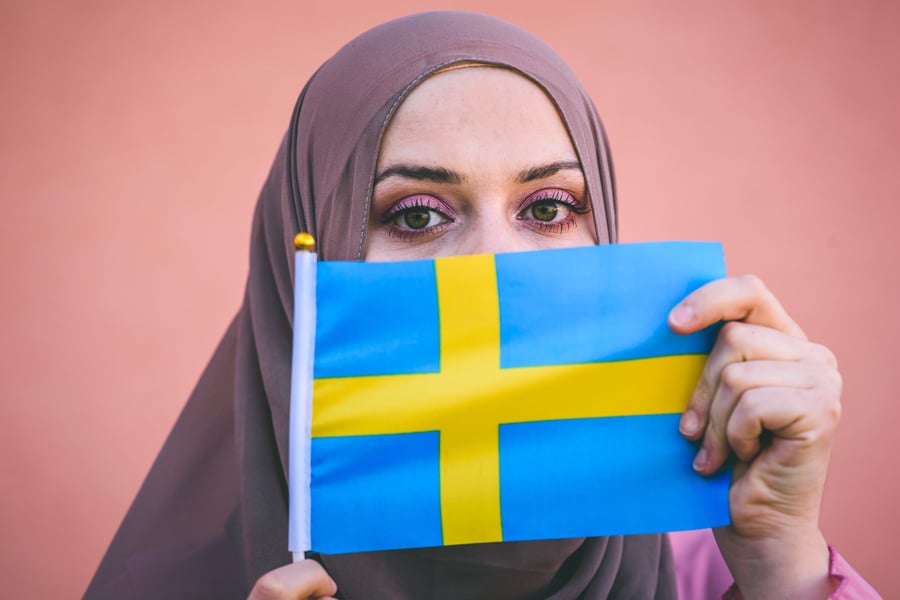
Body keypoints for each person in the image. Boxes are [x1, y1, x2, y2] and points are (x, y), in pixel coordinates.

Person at [85, 11, 879, 600]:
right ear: (307, 263)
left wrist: (785, 559)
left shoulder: (718, 570)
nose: (495, 266)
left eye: (548, 208)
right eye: (417, 214)